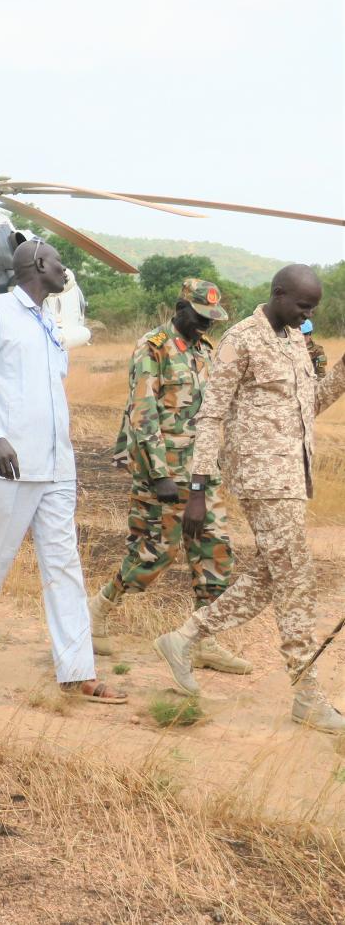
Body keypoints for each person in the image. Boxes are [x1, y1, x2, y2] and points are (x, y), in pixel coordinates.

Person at [155, 265, 345, 733]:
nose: (307, 315)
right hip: (261, 478)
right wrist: (197, 489)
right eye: (303, 306)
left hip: (294, 476)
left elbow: (308, 406)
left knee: (270, 573)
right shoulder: (241, 340)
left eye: (313, 309)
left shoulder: (294, 339)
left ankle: (185, 637)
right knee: (296, 578)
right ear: (279, 294)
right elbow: (211, 416)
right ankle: (307, 695)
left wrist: (342, 372)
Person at [0, 239, 126, 703]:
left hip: (56, 461)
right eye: (60, 263)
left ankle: (77, 669)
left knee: (64, 564)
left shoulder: (48, 319)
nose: (66, 270)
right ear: (40, 264)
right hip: (12, 461)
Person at [88, 280, 250, 675]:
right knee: (155, 553)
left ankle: (202, 641)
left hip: (202, 472)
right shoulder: (153, 347)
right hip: (162, 471)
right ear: (180, 308)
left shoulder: (205, 350)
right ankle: (100, 607)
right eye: (199, 316)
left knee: (216, 552)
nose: (205, 325)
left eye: (211, 319)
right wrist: (159, 475)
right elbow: (142, 413)